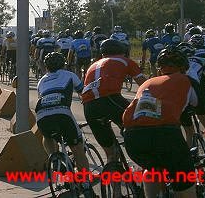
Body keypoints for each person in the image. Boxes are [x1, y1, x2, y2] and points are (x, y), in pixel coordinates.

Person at [123, 46, 198, 198]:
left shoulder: (148, 83)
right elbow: (197, 104)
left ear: (159, 69)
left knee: (151, 168)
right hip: (165, 135)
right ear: (183, 68)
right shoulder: (185, 80)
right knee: (183, 180)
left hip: (133, 138)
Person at [35, 52, 96, 198]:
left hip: (42, 113)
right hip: (63, 113)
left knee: (47, 135)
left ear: (47, 67)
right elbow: (84, 93)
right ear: (63, 64)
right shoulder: (69, 75)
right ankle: (86, 184)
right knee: (77, 148)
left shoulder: (41, 81)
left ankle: (54, 157)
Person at [81, 39, 146, 165]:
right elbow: (145, 85)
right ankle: (142, 161)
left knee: (110, 153)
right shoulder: (125, 61)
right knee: (138, 128)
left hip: (89, 106)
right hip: (109, 99)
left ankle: (112, 173)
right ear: (122, 51)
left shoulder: (92, 66)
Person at [178, 40, 205, 148]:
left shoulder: (176, 64)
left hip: (180, 93)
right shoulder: (201, 60)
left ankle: (189, 158)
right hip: (195, 90)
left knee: (189, 131)